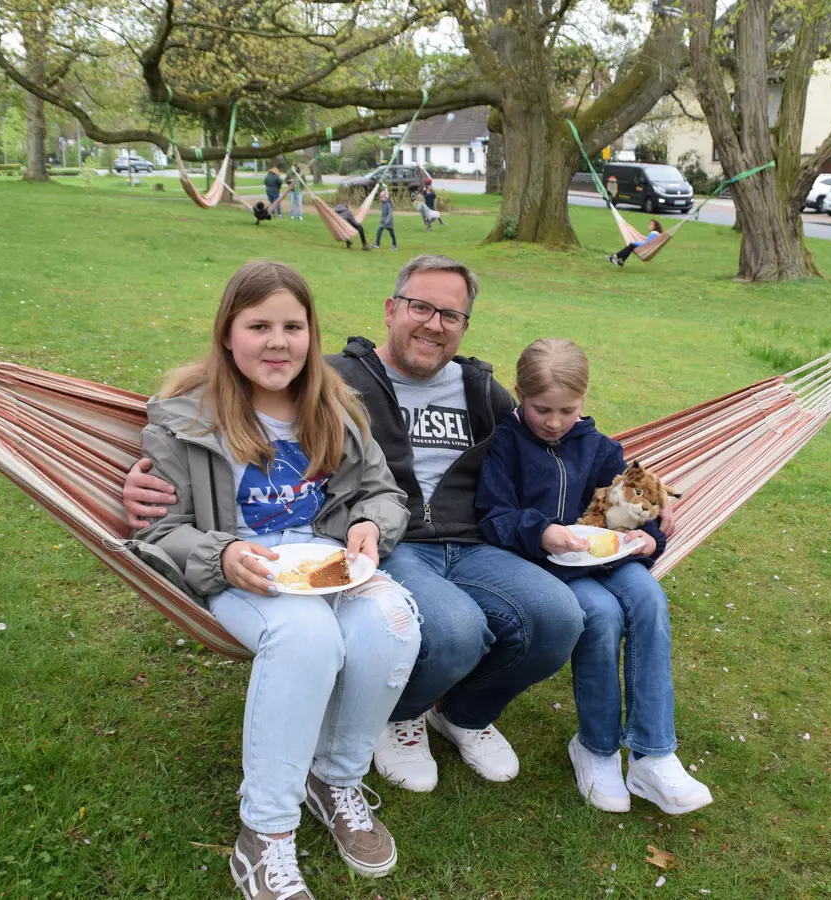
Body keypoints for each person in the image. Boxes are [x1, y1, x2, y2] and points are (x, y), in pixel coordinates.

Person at [125, 255, 598, 795]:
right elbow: (218, 415)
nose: (433, 323)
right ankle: (401, 717)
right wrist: (140, 484)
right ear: (391, 309)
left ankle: (463, 713)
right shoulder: (332, 379)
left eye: (451, 314)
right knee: (452, 629)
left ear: (465, 325)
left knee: (561, 617)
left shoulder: (480, 390)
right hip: (388, 549)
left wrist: (643, 490)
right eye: (420, 306)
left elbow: (551, 437)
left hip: (465, 541)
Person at [133, 260, 418, 899]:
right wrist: (223, 555)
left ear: (312, 335)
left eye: (294, 326)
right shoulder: (183, 415)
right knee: (308, 637)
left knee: (393, 620)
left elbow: (383, 491)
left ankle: (335, 779)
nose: (278, 342)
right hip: (240, 567)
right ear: (228, 333)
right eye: (258, 325)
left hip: (323, 562)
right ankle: (266, 832)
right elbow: (159, 528)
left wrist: (371, 524)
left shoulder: (335, 407)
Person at [475, 338, 714, 816]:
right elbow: (493, 515)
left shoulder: (601, 447)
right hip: (548, 566)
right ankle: (597, 748)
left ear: (584, 401)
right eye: (542, 408)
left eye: (568, 410)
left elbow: (630, 506)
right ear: (519, 393)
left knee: (648, 600)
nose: (555, 421)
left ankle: (654, 754)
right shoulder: (505, 444)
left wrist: (652, 539)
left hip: (611, 556)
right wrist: (543, 532)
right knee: (602, 614)